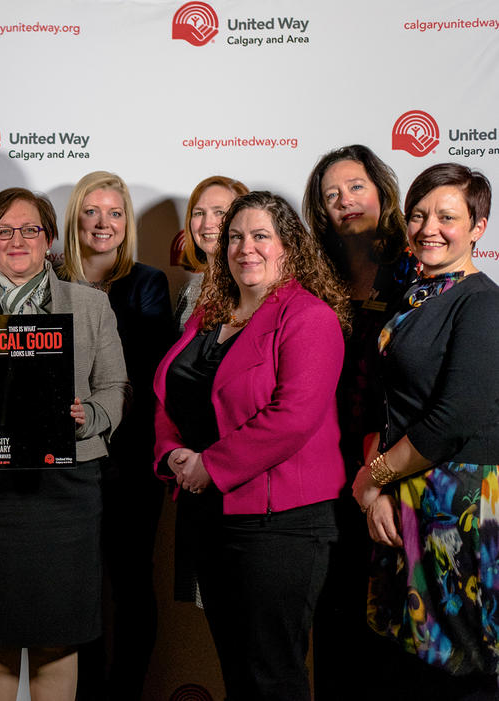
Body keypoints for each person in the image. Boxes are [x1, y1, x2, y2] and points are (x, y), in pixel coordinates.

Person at [0, 187, 128, 701]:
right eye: (4, 231)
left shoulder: (90, 306)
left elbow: (115, 385)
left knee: (57, 640)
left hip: (66, 492)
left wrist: (93, 416)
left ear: (49, 239)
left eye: (30, 230)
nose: (17, 240)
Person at [153, 191, 350, 700]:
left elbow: (292, 418)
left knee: (272, 675)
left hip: (281, 524)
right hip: (211, 518)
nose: (246, 248)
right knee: (237, 670)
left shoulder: (310, 317)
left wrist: (208, 467)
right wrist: (172, 453)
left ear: (289, 247)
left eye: (261, 236)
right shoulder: (211, 313)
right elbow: (171, 392)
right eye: (236, 237)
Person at [355, 163, 499, 699]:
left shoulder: (481, 302)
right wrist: (381, 490)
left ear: (478, 227)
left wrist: (372, 478)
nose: (428, 228)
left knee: (463, 667)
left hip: (457, 507)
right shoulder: (419, 296)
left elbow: (452, 418)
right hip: (408, 495)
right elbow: (385, 402)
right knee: (413, 665)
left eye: (447, 216)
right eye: (418, 215)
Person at [302, 144, 413, 698]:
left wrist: (382, 477)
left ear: (381, 191)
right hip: (323, 468)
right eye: (332, 194)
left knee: (393, 627)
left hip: (397, 466)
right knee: (334, 619)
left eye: (355, 187)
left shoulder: (418, 267)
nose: (345, 201)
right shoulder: (311, 274)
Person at [58, 171, 173, 699]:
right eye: (92, 212)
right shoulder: (48, 278)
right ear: (74, 218)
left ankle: (124, 692)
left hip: (128, 459)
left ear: (127, 223)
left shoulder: (147, 283)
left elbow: (146, 373)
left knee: (130, 583)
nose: (103, 224)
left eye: (115, 213)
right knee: (75, 587)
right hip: (62, 457)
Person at [173, 175, 248, 331]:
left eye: (220, 212)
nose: (207, 224)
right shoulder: (189, 290)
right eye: (199, 213)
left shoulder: (252, 288)